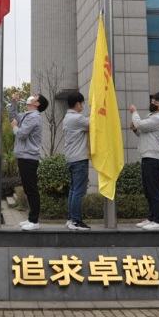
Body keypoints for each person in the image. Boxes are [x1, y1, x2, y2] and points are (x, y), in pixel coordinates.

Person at [130, 92, 159, 231]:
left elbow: (140, 124)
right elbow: (142, 132)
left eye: (156, 101)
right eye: (152, 100)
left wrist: (134, 113)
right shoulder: (152, 117)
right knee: (148, 190)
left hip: (152, 158)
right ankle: (151, 218)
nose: (152, 102)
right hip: (147, 156)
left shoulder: (158, 118)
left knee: (154, 190)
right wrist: (135, 129)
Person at [9, 91, 49, 231]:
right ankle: (31, 219)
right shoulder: (28, 115)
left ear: (37, 104)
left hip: (29, 157)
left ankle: (34, 220)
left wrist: (14, 127)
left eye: (35, 97)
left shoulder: (34, 117)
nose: (32, 97)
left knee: (31, 189)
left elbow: (21, 133)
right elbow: (13, 117)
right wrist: (14, 102)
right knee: (28, 188)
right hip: (24, 156)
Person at [62, 91, 91, 231]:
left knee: (73, 190)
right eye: (83, 103)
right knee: (78, 191)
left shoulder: (68, 117)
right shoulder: (77, 118)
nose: (83, 106)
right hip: (79, 158)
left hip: (72, 158)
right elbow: (93, 123)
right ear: (78, 103)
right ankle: (75, 220)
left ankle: (71, 219)